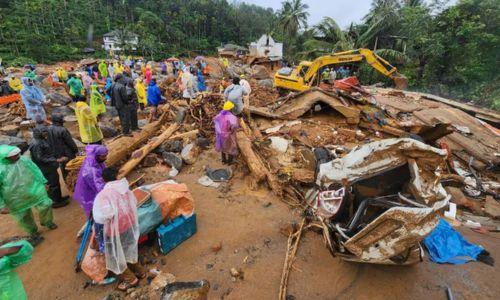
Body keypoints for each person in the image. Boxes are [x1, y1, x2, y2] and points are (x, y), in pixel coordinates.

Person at [92, 167, 145, 291]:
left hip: (115, 229)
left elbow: (101, 217)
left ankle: (131, 280)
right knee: (128, 249)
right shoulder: (124, 188)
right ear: (116, 176)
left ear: (104, 180)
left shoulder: (104, 195)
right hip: (128, 224)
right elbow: (134, 202)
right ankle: (141, 271)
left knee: (116, 255)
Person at [0, 145, 57, 244]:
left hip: (33, 190)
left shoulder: (24, 160)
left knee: (46, 204)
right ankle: (32, 231)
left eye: (18, 153)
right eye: (14, 155)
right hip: (14, 198)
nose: (18, 156)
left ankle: (47, 222)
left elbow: (36, 171)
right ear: (5, 157)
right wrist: (1, 205)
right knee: (23, 216)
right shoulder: (1, 169)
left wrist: (43, 182)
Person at [30, 126, 68, 208]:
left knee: (55, 181)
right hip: (45, 168)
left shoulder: (41, 140)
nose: (46, 133)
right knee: (52, 184)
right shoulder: (37, 143)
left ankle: (58, 198)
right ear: (39, 133)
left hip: (49, 166)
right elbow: (40, 158)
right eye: (44, 132)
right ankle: (55, 202)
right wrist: (56, 160)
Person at [73, 145, 108, 217]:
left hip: (95, 185)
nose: (105, 158)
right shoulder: (90, 171)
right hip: (89, 192)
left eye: (106, 155)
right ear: (97, 156)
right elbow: (98, 187)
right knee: (94, 209)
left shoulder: (96, 161)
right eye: (103, 156)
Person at [48, 113, 78, 179]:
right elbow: (70, 142)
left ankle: (65, 180)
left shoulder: (48, 129)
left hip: (56, 153)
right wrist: (76, 150)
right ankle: (71, 181)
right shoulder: (63, 130)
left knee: (63, 167)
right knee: (70, 167)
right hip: (67, 153)